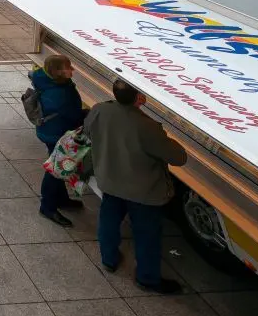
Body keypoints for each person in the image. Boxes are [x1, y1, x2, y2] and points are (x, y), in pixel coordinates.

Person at [85, 79, 188, 294]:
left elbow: (88, 131)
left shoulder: (99, 110)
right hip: (142, 191)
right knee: (146, 234)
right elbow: (178, 158)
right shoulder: (147, 126)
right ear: (140, 98)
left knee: (108, 221)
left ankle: (109, 259)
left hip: (110, 181)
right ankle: (147, 278)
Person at [30, 55, 87, 227]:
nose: (72, 70)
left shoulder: (48, 80)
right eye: (68, 67)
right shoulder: (59, 94)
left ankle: (61, 199)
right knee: (55, 170)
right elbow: (74, 115)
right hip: (56, 134)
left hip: (49, 130)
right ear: (57, 72)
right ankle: (47, 206)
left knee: (55, 164)